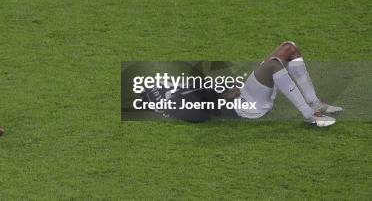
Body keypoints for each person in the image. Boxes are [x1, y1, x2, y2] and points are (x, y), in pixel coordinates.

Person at [143, 41, 342, 126]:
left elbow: (209, 94)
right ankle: (309, 115)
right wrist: (224, 98)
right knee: (274, 65)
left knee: (289, 48)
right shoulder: (182, 105)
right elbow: (207, 110)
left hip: (246, 95)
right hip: (249, 107)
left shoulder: (185, 91)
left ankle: (314, 102)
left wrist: (225, 94)